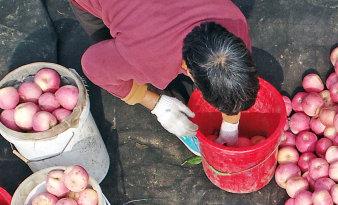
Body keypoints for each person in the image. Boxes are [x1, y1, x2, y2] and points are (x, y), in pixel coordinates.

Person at [67, 0, 259, 146]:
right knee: (112, 56)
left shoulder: (232, 19)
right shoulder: (148, 57)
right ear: (189, 71)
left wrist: (230, 127)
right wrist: (156, 104)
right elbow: (93, 65)